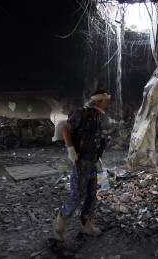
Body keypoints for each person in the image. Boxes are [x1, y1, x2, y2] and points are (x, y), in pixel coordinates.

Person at [54, 89, 111, 241]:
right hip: (81, 160)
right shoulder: (82, 113)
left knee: (92, 194)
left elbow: (96, 138)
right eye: (106, 99)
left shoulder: (98, 115)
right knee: (77, 194)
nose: (108, 102)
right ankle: (60, 225)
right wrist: (70, 149)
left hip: (92, 161)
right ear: (99, 100)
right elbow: (65, 128)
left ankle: (87, 225)